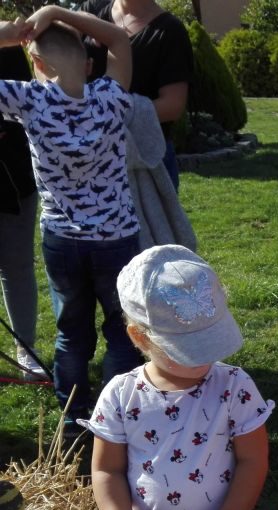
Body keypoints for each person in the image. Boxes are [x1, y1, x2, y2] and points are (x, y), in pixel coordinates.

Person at [0, 7, 144, 429]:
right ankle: (116, 418)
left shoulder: (28, 99)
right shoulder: (111, 97)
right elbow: (118, 39)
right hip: (117, 239)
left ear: (37, 64)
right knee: (122, 331)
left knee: (71, 334)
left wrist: (9, 34)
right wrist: (60, 12)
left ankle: (73, 416)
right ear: (87, 64)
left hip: (63, 241)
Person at [80, 245, 274, 510]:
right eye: (188, 349)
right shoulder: (121, 394)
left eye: (209, 342)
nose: (204, 356)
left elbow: (253, 460)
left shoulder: (235, 386)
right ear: (139, 337)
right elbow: (107, 469)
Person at [79, 0, 193, 190]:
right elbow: (54, 46)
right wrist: (70, 18)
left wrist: (107, 115)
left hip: (145, 157)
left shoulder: (169, 30)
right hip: (92, 153)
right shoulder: (93, 9)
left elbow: (173, 105)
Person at [0, 47, 44, 380]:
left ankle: (25, 350)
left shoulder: (8, 46)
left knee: (16, 266)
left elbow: (24, 106)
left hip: (13, 177)